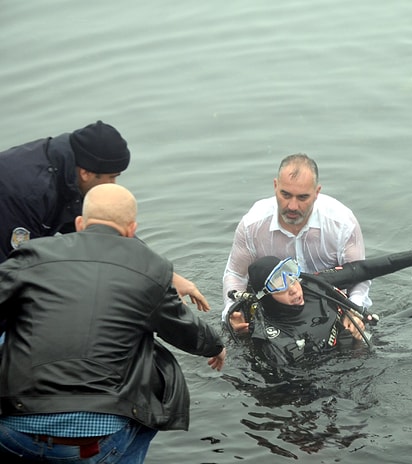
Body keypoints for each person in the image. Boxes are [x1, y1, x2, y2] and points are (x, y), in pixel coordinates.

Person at [0, 184, 226, 463]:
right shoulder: (151, 266)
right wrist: (216, 345)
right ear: (132, 230)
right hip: (94, 442)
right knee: (151, 359)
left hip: (14, 431)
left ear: (80, 223)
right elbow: (184, 330)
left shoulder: (30, 255)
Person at [0, 121, 209, 310]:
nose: (113, 186)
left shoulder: (69, 175)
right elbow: (18, 272)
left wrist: (166, 276)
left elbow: (109, 234)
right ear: (86, 173)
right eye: (111, 178)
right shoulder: (32, 192)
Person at [225, 246, 412, 372]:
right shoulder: (268, 336)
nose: (294, 289)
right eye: (280, 285)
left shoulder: (311, 285)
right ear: (264, 296)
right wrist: (241, 336)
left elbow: (362, 269)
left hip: (367, 341)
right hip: (344, 371)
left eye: (292, 276)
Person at [222, 153, 368, 325]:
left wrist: (355, 309)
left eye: (302, 197)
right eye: (285, 195)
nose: (292, 206)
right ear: (275, 186)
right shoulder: (252, 225)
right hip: (275, 310)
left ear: (317, 193)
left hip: (330, 304)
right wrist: (232, 311)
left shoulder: (342, 223)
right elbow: (236, 275)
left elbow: (359, 274)